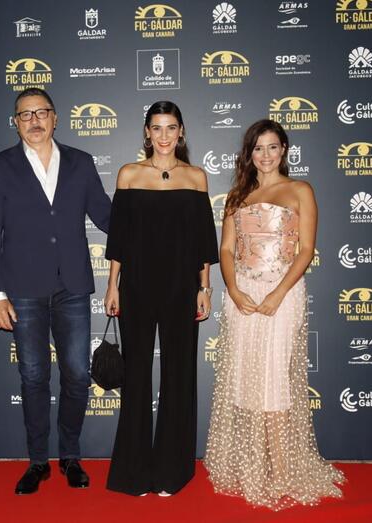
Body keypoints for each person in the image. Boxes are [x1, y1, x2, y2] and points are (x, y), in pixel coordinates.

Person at [204, 119, 344, 510]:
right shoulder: (237, 195)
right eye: (257, 148)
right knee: (247, 382)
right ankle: (255, 465)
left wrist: (278, 294)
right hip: (243, 295)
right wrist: (233, 290)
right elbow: (227, 250)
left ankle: (282, 470)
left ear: (284, 149)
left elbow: (306, 250)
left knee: (274, 382)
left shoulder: (301, 190)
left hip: (283, 294)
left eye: (272, 147)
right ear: (249, 154)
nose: (265, 155)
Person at [0, 87, 111, 495]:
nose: (34, 120)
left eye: (41, 112)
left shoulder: (81, 163)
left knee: (77, 373)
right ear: (15, 123)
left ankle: (70, 454)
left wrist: (153, 214)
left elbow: (106, 215)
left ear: (56, 118)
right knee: (33, 376)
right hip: (21, 289)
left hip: (71, 285)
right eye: (25, 114)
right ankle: (38, 461)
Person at [104, 101, 219, 496]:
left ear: (181, 132)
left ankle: (172, 471)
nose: (164, 136)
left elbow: (205, 243)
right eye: (157, 128)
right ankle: (133, 473)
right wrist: (113, 284)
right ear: (147, 133)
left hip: (181, 287)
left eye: (171, 128)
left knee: (179, 376)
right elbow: (118, 239)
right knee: (135, 376)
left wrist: (204, 289)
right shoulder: (129, 174)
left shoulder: (196, 178)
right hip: (135, 286)